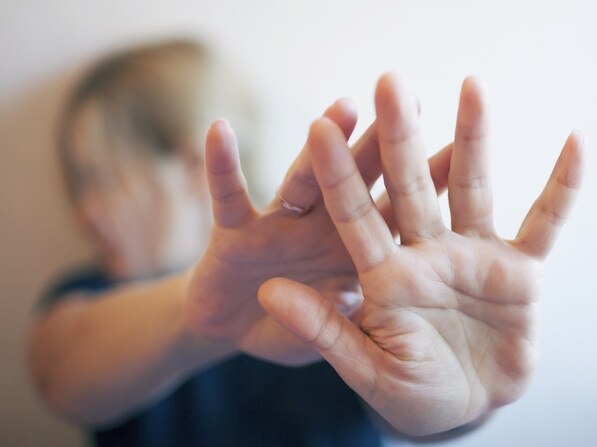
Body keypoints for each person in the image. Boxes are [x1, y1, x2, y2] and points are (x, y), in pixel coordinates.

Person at [27, 39, 584, 446]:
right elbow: (57, 374)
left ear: (189, 165)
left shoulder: (346, 289)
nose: (82, 213)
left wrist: (464, 398)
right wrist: (198, 317)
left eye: (96, 179)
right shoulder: (93, 296)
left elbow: (407, 406)